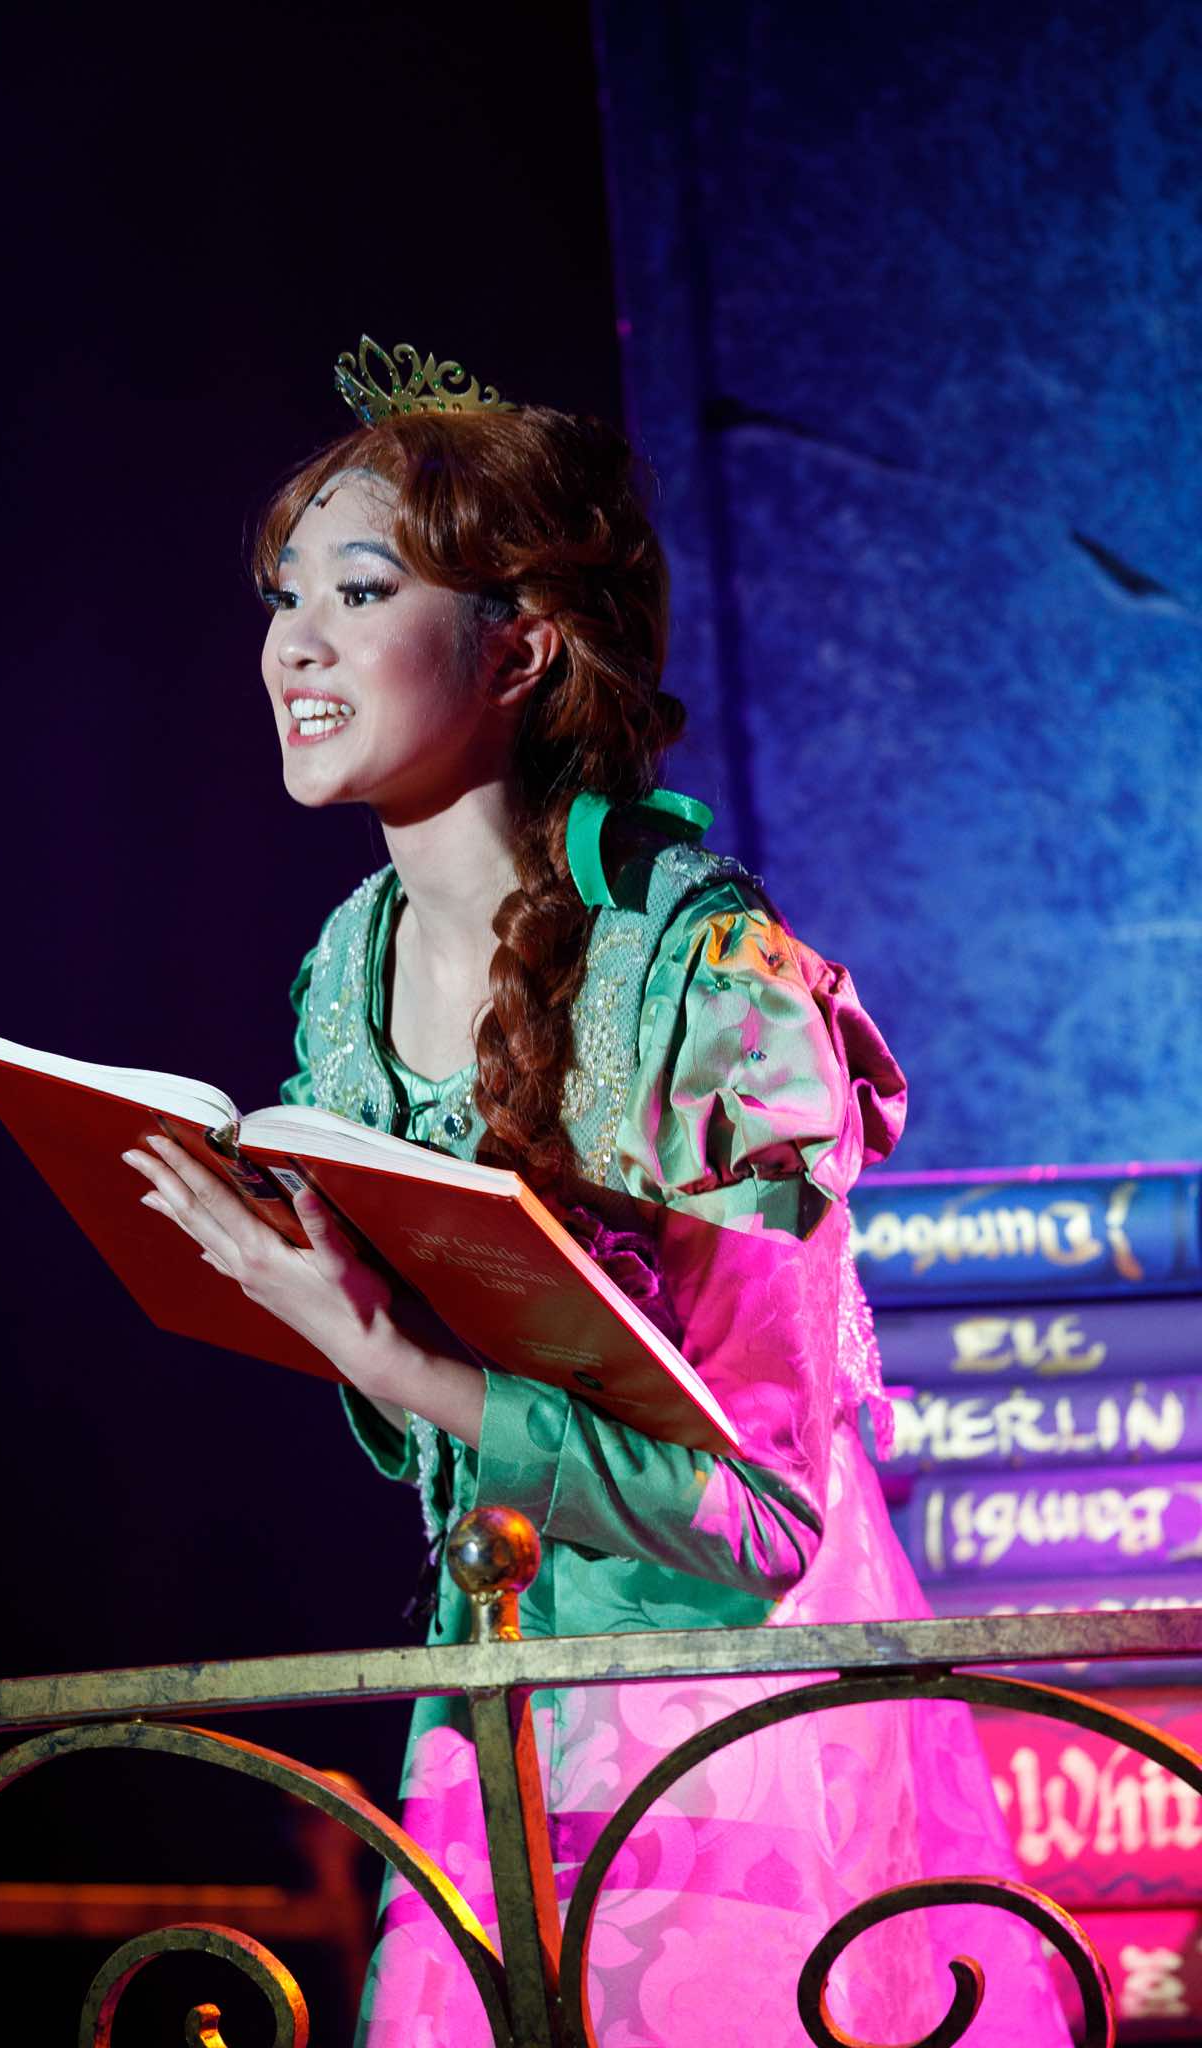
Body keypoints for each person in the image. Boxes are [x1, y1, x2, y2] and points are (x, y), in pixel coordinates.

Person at [123, 339, 1073, 2046]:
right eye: (283, 597)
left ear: (523, 646)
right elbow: (456, 1427)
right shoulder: (347, 969)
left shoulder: (711, 979)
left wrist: (384, 1353)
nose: (295, 645)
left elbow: (761, 1521)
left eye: (360, 590)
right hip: (499, 1705)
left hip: (732, 1735)